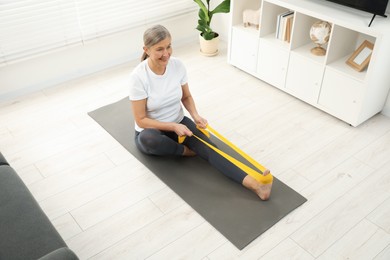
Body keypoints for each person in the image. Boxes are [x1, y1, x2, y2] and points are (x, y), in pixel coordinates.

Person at [129, 25, 272, 200]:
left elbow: (186, 96)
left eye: (169, 47)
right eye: (159, 49)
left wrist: (195, 116)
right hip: (153, 130)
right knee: (148, 139)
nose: (166, 53)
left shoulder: (177, 65)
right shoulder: (138, 77)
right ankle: (184, 151)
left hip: (179, 122)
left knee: (211, 149)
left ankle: (256, 185)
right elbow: (141, 119)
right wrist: (172, 127)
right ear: (146, 50)